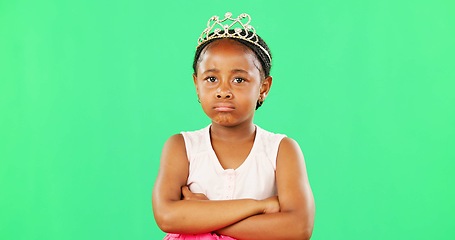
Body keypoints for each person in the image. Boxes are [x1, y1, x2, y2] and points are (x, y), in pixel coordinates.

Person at [152, 12, 315, 240]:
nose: (223, 91)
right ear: (196, 84)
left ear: (263, 88)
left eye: (239, 79)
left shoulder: (281, 150)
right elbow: (167, 216)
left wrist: (203, 216)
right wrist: (258, 206)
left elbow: (298, 228)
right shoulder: (182, 147)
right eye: (211, 79)